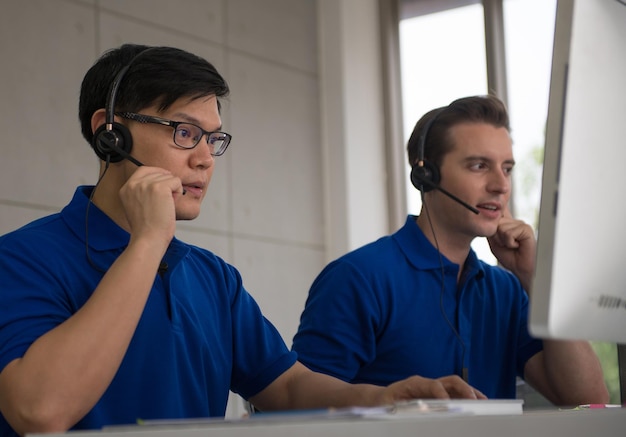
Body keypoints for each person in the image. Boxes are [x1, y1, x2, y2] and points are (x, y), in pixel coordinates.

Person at [0, 44, 481, 437]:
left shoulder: (213, 278)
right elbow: (40, 411)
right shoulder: (22, 259)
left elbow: (286, 389)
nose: (206, 159)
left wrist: (384, 398)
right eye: (185, 133)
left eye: (213, 139)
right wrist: (146, 243)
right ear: (110, 132)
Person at [292, 95, 609, 406]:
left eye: (507, 168)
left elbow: (588, 400)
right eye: (479, 165)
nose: (501, 185)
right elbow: (297, 405)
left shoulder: (507, 290)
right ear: (426, 175)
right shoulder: (358, 279)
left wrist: (535, 276)